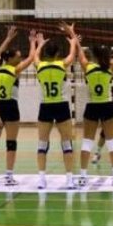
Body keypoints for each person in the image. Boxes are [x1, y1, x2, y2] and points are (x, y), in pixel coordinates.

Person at [71, 20, 113, 186]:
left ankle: (83, 176)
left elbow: (79, 53)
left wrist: (73, 35)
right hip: (107, 106)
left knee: (87, 142)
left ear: (94, 56)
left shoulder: (87, 67)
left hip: (92, 106)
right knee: (112, 141)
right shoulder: (110, 67)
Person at [0, 26, 39, 185]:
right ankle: (9, 176)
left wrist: (8, 38)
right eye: (18, 57)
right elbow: (32, 57)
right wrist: (33, 42)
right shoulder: (15, 70)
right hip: (11, 107)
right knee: (11, 143)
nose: (20, 59)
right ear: (10, 59)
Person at [34, 29, 79, 190]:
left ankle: (41, 179)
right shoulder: (62, 65)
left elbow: (35, 57)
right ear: (58, 54)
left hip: (45, 106)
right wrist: (73, 42)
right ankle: (69, 180)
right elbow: (72, 56)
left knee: (42, 144)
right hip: (61, 105)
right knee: (67, 143)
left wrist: (39, 44)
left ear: (45, 53)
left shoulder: (39, 66)